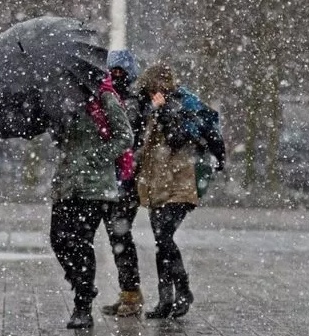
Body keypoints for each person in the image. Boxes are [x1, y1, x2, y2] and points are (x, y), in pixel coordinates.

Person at [135, 63, 225, 319]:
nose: (151, 93)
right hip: (157, 183)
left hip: (180, 182)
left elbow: (177, 138)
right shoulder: (152, 107)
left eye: (153, 88)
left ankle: (183, 291)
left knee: (164, 238)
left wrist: (164, 112)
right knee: (161, 243)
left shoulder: (180, 105)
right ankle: (166, 300)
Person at [49, 73, 134, 329]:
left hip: (95, 187)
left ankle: (82, 305)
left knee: (81, 243)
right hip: (67, 184)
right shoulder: (63, 101)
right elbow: (65, 141)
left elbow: (125, 136)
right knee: (58, 239)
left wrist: (98, 156)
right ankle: (82, 284)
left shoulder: (105, 98)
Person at [99, 49, 147, 317]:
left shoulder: (131, 102)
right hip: (113, 180)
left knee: (120, 236)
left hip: (125, 181)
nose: (116, 76)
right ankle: (128, 292)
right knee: (117, 237)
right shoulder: (111, 98)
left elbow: (127, 137)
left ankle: (131, 294)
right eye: (112, 71)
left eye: (121, 72)